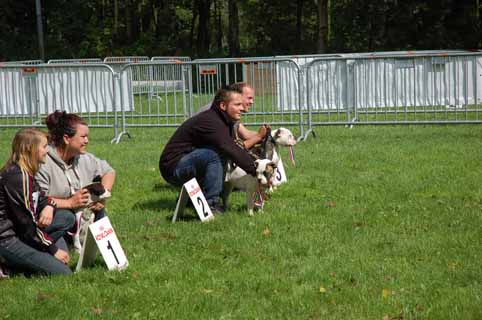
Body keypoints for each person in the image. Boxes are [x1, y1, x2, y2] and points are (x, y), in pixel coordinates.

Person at [159, 87, 258, 213]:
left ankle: (192, 200)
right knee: (214, 155)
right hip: (172, 168)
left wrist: (254, 163)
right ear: (223, 105)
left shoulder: (223, 120)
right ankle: (210, 204)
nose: (242, 108)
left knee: (217, 153)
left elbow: (233, 148)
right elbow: (230, 148)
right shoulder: (211, 121)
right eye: (237, 104)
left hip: (187, 161)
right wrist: (256, 170)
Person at [0, 128, 73, 276]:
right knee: (64, 273)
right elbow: (26, 224)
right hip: (7, 239)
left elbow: (42, 199)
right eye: (44, 146)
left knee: (66, 217)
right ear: (30, 149)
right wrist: (53, 250)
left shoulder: (28, 172)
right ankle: (8, 267)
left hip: (23, 231)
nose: (47, 151)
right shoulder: (18, 177)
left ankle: (37, 256)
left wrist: (49, 207)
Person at [35, 111, 116, 246]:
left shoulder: (85, 158)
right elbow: (39, 199)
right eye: (83, 137)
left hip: (80, 216)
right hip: (53, 219)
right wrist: (70, 203)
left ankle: (105, 250)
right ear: (67, 139)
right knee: (66, 219)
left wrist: (103, 195)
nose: (87, 141)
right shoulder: (44, 162)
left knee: (99, 209)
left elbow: (109, 171)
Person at [195, 83, 270, 149]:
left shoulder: (230, 110)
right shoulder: (217, 113)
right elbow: (234, 149)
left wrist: (268, 134)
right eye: (249, 98)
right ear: (238, 95)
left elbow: (245, 134)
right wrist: (258, 137)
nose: (252, 102)